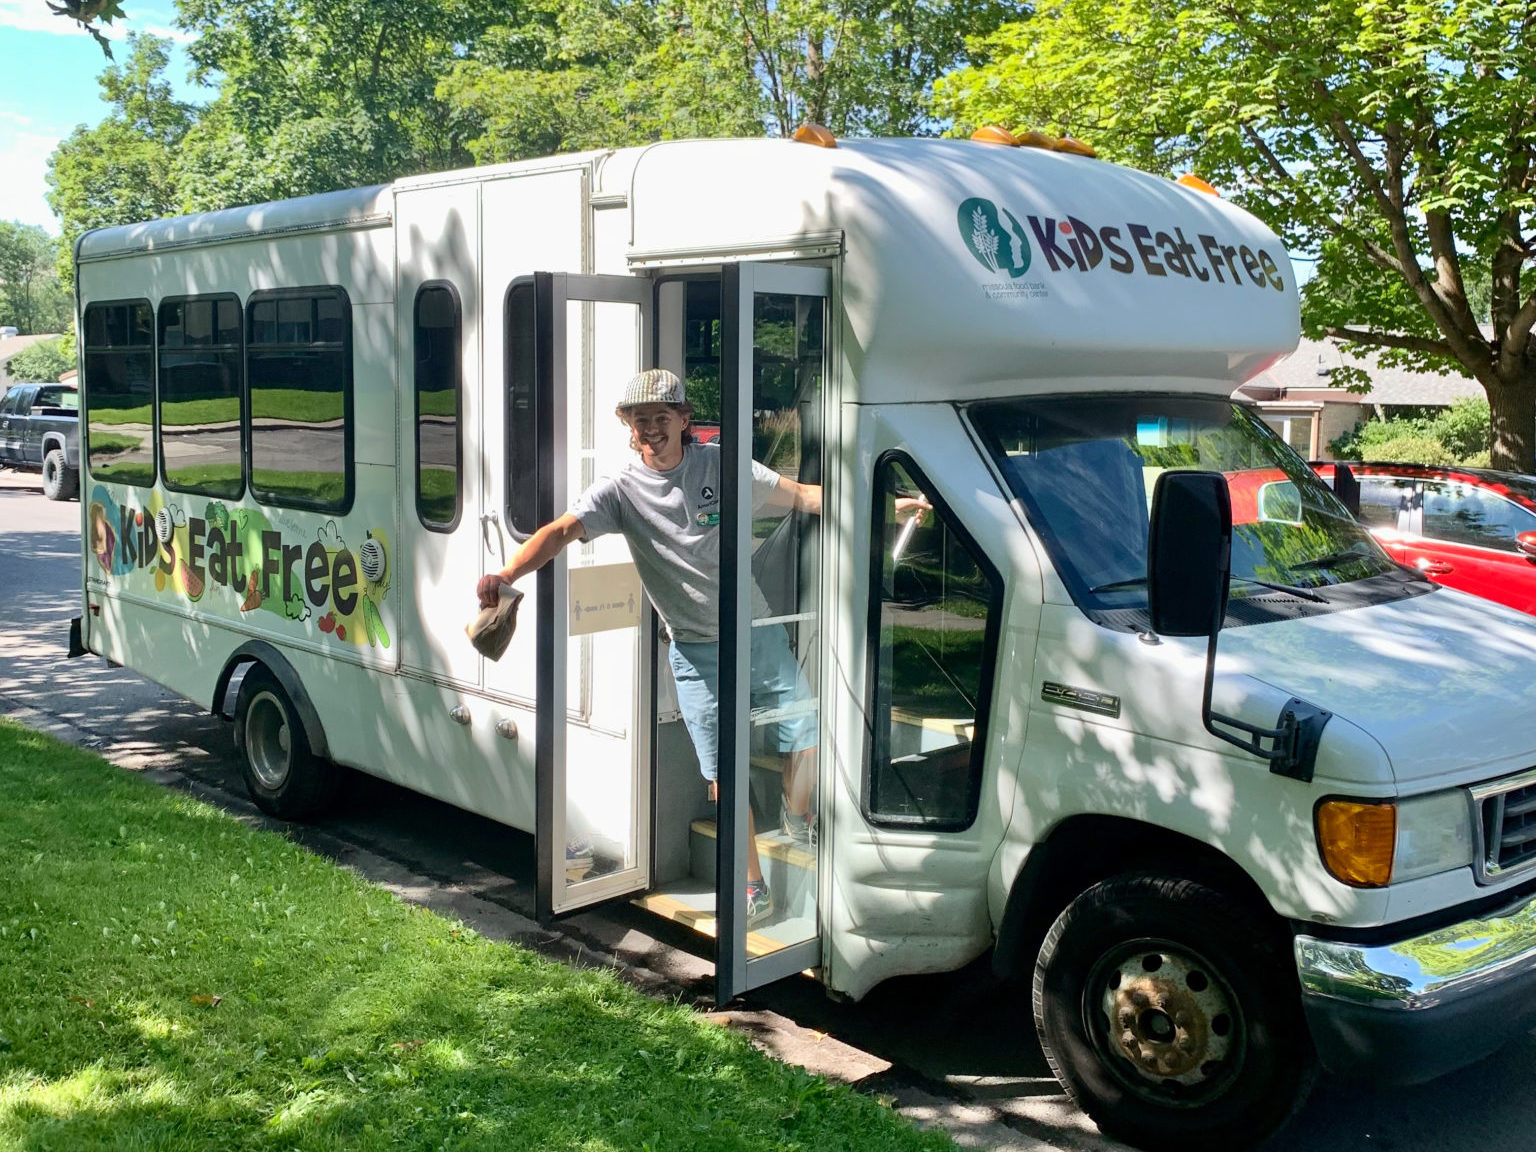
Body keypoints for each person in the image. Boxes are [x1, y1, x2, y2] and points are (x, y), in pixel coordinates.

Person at [476, 368, 821, 927]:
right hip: (695, 654)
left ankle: (799, 814)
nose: (652, 429)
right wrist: (507, 573)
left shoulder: (722, 465)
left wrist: (886, 503)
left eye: (663, 418)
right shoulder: (619, 491)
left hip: (755, 633)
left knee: (805, 729)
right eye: (641, 421)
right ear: (627, 427)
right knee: (724, 777)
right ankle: (753, 888)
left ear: (685, 419)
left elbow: (801, 495)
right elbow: (561, 531)